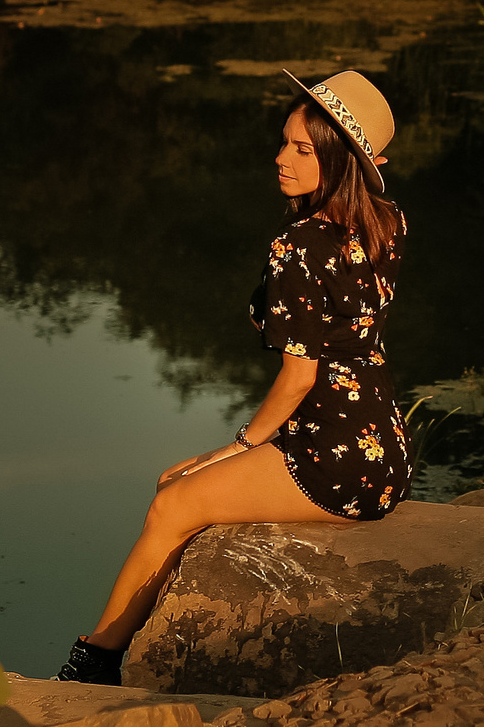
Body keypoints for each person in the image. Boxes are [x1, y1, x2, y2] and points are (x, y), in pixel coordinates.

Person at [56, 69, 411, 685]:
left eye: (302, 150)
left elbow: (300, 378)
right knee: (182, 483)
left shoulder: (299, 244)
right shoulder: (386, 222)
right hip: (384, 449)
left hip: (331, 459)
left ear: (339, 160)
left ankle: (94, 664)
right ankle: (103, 656)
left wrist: (238, 446)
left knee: (173, 501)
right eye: (283, 143)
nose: (281, 159)